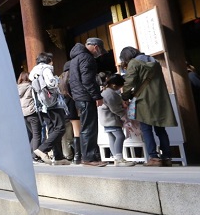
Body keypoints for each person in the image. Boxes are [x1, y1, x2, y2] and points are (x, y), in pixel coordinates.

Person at [119, 47, 178, 167]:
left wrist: (124, 96)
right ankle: (167, 157)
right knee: (161, 129)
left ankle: (154, 158)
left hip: (144, 99)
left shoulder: (134, 63)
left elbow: (129, 82)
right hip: (160, 98)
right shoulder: (154, 61)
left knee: (146, 129)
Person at [68, 38, 107, 166]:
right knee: (89, 128)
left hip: (79, 96)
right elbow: (88, 80)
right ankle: (89, 158)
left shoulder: (75, 58)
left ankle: (90, 157)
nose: (99, 53)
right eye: (99, 50)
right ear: (96, 47)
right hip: (86, 97)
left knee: (86, 127)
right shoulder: (86, 57)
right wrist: (97, 96)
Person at [28, 53, 71, 166]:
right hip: (53, 103)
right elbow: (51, 83)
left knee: (52, 129)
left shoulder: (33, 72)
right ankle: (42, 149)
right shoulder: (46, 69)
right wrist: (57, 80)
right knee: (60, 128)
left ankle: (58, 157)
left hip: (43, 105)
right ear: (49, 60)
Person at [99, 74, 134, 166]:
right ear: (114, 85)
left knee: (112, 137)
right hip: (111, 119)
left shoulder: (105, 91)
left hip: (105, 119)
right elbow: (115, 108)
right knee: (120, 136)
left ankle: (116, 157)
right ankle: (119, 158)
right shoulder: (110, 94)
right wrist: (124, 116)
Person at [18, 71, 41, 150]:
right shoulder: (31, 87)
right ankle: (35, 155)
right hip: (32, 112)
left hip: (23, 113)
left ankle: (32, 154)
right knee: (36, 135)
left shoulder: (17, 88)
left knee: (33, 134)